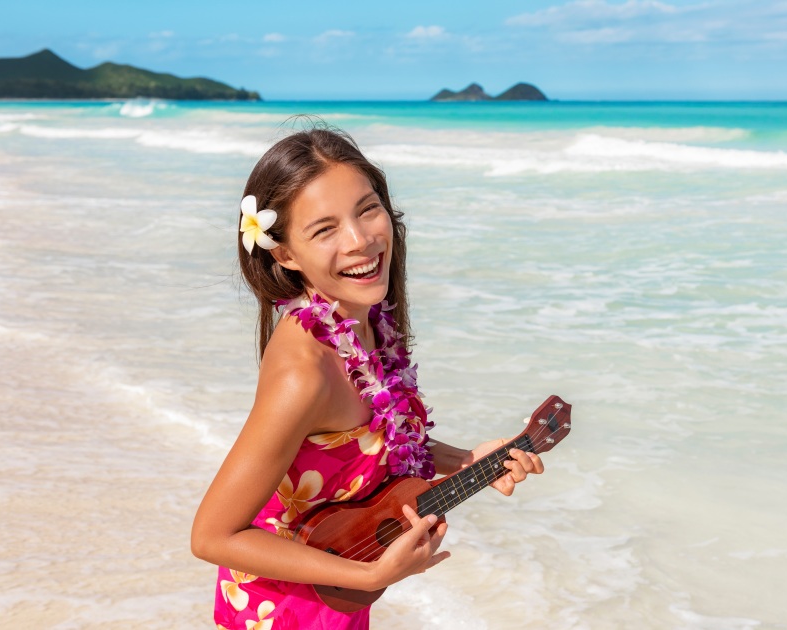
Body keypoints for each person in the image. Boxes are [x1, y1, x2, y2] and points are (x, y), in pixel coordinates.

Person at [191, 125, 544, 629]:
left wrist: (467, 461)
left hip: (335, 593)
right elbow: (213, 535)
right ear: (284, 254)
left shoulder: (365, 321)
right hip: (279, 610)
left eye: (367, 209)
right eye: (324, 229)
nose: (360, 241)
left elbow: (367, 441)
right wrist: (373, 573)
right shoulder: (303, 374)